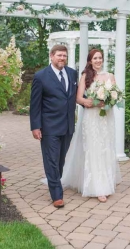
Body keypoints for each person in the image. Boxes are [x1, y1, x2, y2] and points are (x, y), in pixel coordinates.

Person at [61, 49, 121, 203]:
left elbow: (115, 97)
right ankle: (98, 187)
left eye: (100, 58)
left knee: (106, 147)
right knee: (93, 149)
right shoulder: (85, 76)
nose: (98, 60)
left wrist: (108, 101)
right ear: (90, 60)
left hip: (106, 117)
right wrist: (89, 102)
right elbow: (79, 98)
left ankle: (107, 180)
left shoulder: (110, 76)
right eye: (95, 58)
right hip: (91, 117)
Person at [30, 44, 78, 208]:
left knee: (60, 160)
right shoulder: (41, 76)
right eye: (59, 55)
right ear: (51, 56)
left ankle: (55, 181)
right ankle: (57, 195)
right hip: (49, 126)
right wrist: (35, 126)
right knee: (51, 160)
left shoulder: (72, 73)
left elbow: (77, 96)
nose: (62, 58)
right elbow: (35, 104)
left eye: (64, 55)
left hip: (68, 126)